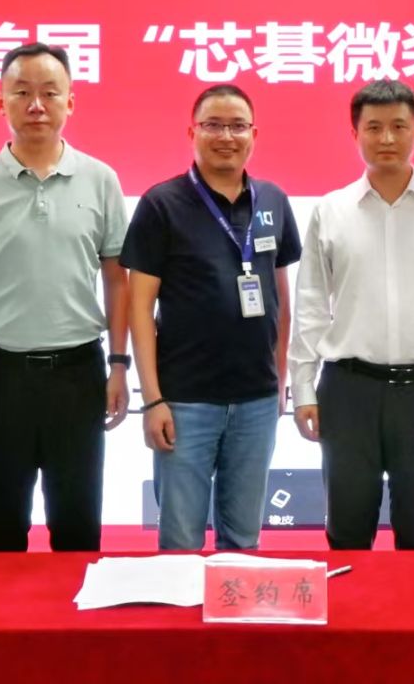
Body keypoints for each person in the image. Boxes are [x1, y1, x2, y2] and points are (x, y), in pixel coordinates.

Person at [288, 79, 414, 551]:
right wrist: (302, 387)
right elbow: (311, 307)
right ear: (355, 133)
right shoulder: (331, 210)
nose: (386, 138)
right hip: (347, 391)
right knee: (347, 530)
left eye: (399, 127)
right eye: (374, 127)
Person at [0, 42, 130, 553]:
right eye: (22, 92)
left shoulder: (101, 179)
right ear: (0, 102)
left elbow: (118, 280)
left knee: (78, 530)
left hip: (78, 373)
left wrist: (118, 365)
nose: (36, 105)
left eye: (50, 92)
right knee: (0, 533)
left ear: (71, 101)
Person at [124, 84, 302, 551]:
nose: (226, 136)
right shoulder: (161, 204)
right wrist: (153, 400)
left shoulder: (273, 201)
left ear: (254, 134)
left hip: (257, 401)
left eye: (237, 126)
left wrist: (280, 379)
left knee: (243, 543)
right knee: (180, 543)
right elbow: (139, 309)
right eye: (213, 125)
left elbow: (281, 300)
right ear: (193, 132)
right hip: (185, 401)